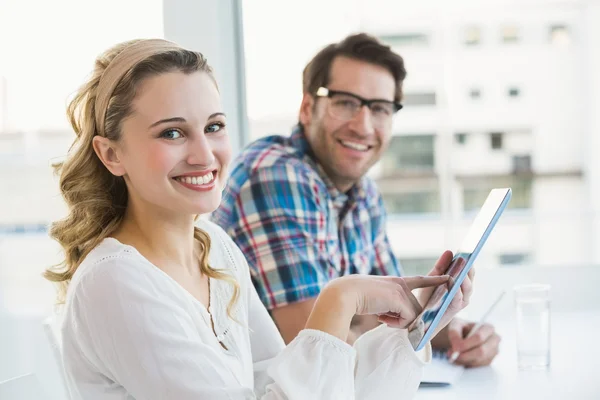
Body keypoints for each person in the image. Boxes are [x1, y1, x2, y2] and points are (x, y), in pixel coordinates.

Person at [44, 38, 473, 399]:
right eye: (172, 132)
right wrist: (340, 300)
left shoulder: (213, 249)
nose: (204, 155)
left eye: (213, 127)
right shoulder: (116, 282)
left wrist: (414, 327)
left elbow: (283, 385)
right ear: (111, 154)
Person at [211, 33, 500, 367]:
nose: (363, 126)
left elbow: (387, 314)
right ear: (307, 108)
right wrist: (406, 337)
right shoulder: (275, 175)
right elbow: (317, 347)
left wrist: (455, 332)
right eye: (346, 102)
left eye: (379, 108)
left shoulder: (361, 193)